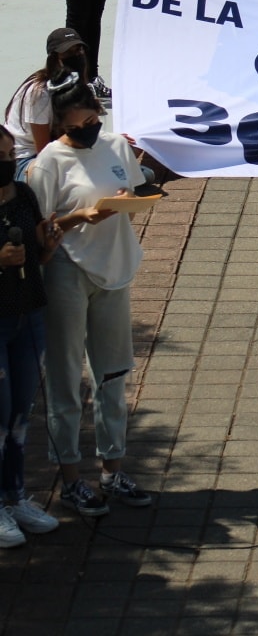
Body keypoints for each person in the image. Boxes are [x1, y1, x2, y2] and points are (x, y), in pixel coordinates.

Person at [27, 74, 151, 516]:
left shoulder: (116, 146)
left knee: (113, 375)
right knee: (65, 378)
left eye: (94, 119)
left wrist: (128, 199)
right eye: (79, 125)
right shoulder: (49, 163)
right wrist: (82, 215)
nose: (90, 128)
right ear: (63, 125)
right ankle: (72, 478)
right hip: (67, 272)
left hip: (113, 270)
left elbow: (136, 189)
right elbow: (41, 230)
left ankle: (112, 468)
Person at [0, 125, 62, 547]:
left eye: (8, 154)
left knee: (21, 414)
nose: (6, 163)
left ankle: (15, 495)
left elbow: (37, 252)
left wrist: (48, 246)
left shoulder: (23, 196)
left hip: (27, 314)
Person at [4, 28, 90, 181]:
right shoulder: (40, 93)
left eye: (79, 50)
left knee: (136, 167)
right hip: (28, 159)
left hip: (65, 151)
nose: (76, 56)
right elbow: (45, 152)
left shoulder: (76, 85)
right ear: (54, 58)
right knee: (77, 181)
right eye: (68, 53)